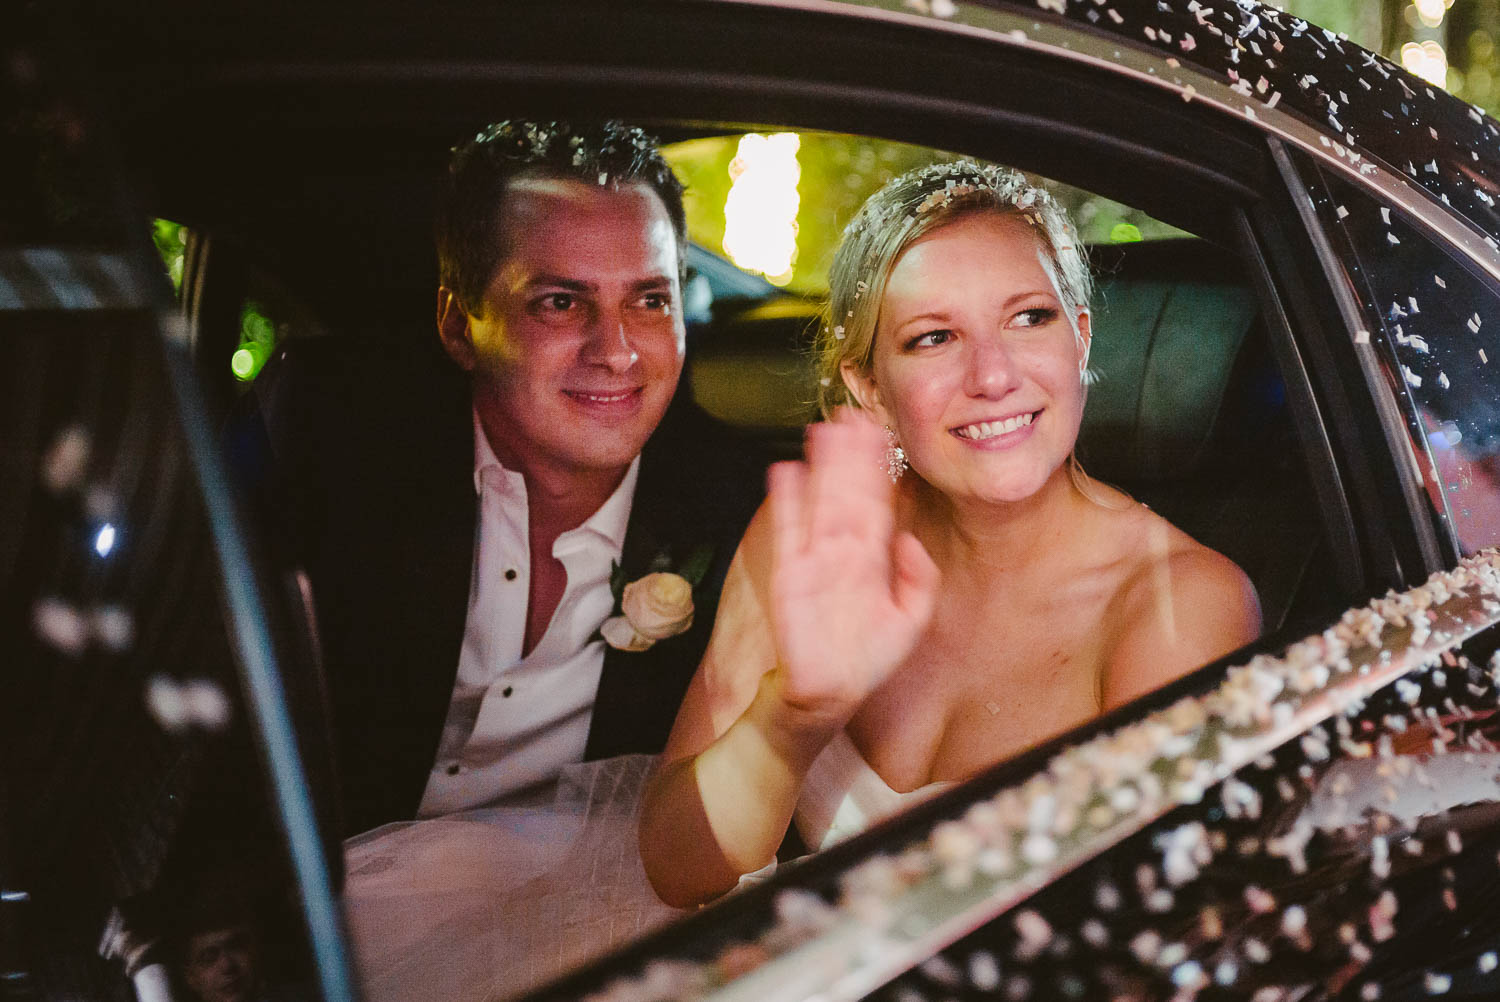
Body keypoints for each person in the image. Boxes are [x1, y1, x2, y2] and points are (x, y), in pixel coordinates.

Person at [638, 160, 1263, 907]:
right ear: (871, 389)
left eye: (1030, 317)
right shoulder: (811, 536)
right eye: (935, 337)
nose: (993, 376)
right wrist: (792, 719)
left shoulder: (1177, 606)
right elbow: (678, 872)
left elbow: (1150, 939)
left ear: (1081, 340)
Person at [233, 120, 760, 835]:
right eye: (561, 302)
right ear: (459, 326)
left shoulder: (738, 512)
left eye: (650, 300)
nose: (617, 352)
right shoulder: (332, 456)